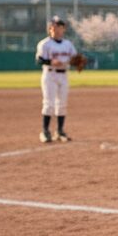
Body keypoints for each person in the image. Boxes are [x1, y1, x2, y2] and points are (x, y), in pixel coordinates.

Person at [35, 15, 77, 143]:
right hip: (50, 75)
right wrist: (51, 62)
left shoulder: (68, 44)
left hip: (63, 75)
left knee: (62, 104)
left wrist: (77, 62)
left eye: (59, 27)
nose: (57, 30)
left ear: (63, 29)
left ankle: (59, 131)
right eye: (54, 27)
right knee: (49, 104)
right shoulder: (45, 44)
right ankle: (45, 131)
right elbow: (39, 60)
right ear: (50, 29)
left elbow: (75, 58)